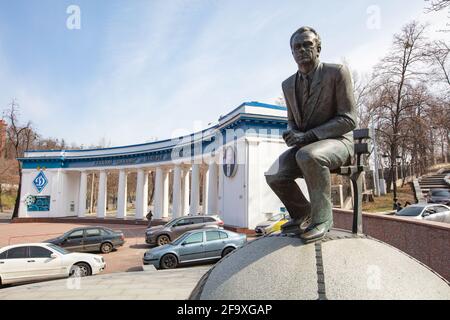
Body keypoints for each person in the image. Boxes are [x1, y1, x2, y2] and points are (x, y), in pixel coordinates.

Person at [265, 26, 357, 243]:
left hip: (338, 142)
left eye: (307, 44)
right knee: (274, 174)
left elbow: (349, 119)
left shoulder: (337, 73)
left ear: (318, 48)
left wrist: (307, 137)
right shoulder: (288, 85)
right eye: (297, 47)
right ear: (292, 53)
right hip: (305, 147)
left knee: (309, 156)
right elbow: (291, 120)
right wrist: (292, 133)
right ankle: (302, 213)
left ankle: (322, 219)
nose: (302, 50)